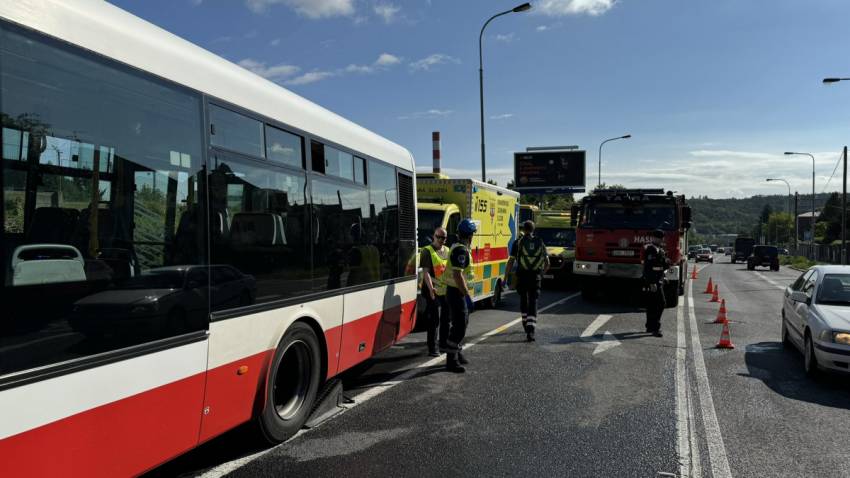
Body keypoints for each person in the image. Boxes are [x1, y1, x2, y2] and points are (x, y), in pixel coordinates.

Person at [442, 218, 477, 373]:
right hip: (456, 293)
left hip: (456, 292)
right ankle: (451, 361)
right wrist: (466, 295)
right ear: (470, 235)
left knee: (462, 323)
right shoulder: (461, 250)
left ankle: (457, 352)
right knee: (459, 327)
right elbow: (458, 275)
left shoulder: (460, 248)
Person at [505, 220, 550, 342]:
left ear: (524, 229)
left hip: (522, 276)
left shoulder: (518, 242)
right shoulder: (540, 242)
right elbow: (547, 263)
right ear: (533, 229)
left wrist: (506, 276)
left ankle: (525, 323)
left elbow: (511, 262)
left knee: (523, 299)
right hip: (535, 277)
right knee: (533, 301)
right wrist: (541, 274)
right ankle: (531, 330)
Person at [420, 227, 450, 357]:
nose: (441, 240)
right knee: (434, 320)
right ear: (434, 236)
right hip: (432, 290)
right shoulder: (427, 251)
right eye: (439, 237)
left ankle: (443, 344)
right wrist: (431, 289)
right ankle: (432, 348)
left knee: (446, 319)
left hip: (445, 290)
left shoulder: (447, 250)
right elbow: (425, 272)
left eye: (443, 238)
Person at [642, 229, 671, 337]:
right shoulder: (651, 249)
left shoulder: (659, 249)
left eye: (662, 237)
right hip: (653, 281)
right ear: (656, 238)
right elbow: (648, 268)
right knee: (661, 303)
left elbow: (662, 265)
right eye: (660, 237)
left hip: (658, 279)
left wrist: (664, 276)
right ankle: (655, 328)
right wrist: (651, 282)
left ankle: (650, 326)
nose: (662, 239)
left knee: (651, 304)